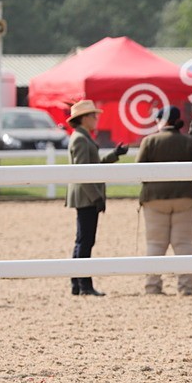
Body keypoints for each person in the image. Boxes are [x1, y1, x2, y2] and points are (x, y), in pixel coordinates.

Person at [136, 106, 192, 296]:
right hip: (186, 197)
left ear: (162, 121)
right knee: (183, 243)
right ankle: (185, 287)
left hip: (155, 198)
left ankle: (152, 286)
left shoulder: (149, 141)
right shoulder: (189, 142)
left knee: (155, 244)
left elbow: (139, 171)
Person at [65, 99, 127, 296]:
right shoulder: (81, 139)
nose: (96, 118)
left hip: (85, 195)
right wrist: (96, 197)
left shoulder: (82, 137)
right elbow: (83, 172)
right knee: (85, 241)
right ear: (83, 119)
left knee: (83, 239)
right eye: (93, 115)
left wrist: (114, 155)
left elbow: (94, 164)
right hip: (86, 196)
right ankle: (84, 284)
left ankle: (78, 282)